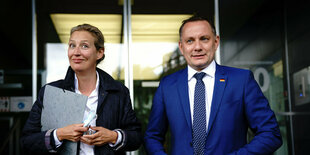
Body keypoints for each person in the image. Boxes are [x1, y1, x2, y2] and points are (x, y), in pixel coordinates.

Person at [144, 15, 282, 155]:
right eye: (190, 41)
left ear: (216, 42)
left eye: (204, 39)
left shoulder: (241, 80)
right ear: (181, 47)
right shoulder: (167, 86)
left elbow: (270, 133)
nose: (197, 47)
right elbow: (152, 136)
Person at [21, 24, 142, 155]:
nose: (76, 52)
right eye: (72, 45)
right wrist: (59, 134)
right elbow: (26, 142)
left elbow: (136, 137)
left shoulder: (118, 92)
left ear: (100, 52)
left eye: (84, 46)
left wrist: (113, 136)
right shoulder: (50, 92)